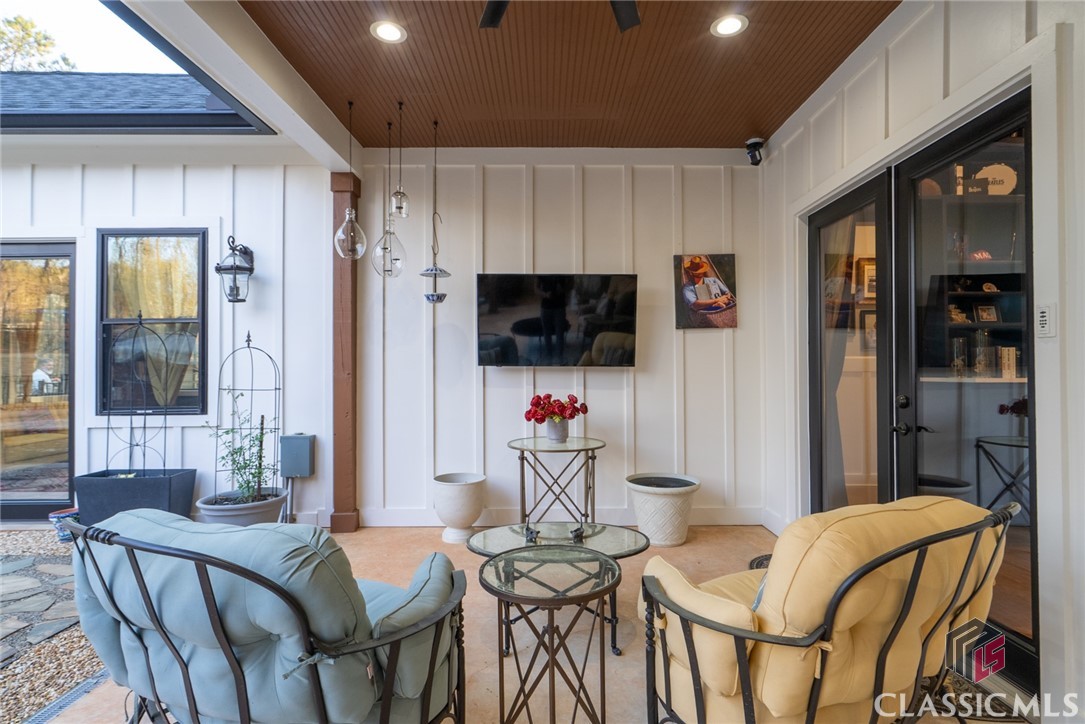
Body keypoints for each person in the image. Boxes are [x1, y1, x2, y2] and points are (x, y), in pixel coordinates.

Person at [536, 275, 570, 362]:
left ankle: (559, 357)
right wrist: (545, 295)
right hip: (546, 307)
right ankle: (549, 355)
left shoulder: (564, 270)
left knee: (560, 333)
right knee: (546, 333)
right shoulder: (541, 271)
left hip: (560, 307)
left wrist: (563, 289)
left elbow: (571, 284)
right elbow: (536, 288)